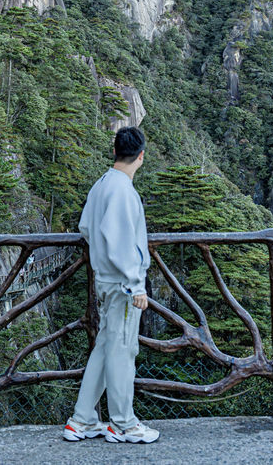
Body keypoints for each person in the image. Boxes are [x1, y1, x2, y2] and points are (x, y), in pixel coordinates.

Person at [63, 126, 159, 444]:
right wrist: (136, 285)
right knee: (121, 351)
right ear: (141, 156)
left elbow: (87, 227)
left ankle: (82, 419)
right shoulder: (122, 190)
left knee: (105, 349)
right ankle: (123, 423)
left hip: (105, 280)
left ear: (115, 152)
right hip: (121, 286)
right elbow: (121, 243)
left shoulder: (102, 184)